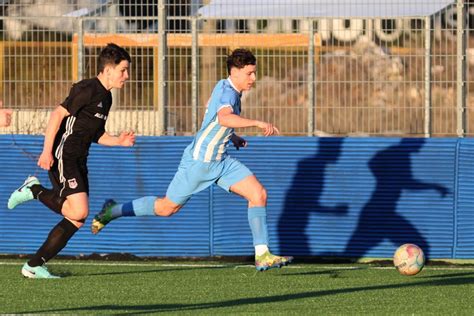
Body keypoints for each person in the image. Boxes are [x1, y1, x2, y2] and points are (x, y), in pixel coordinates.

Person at [91, 48, 293, 271]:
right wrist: (257, 123)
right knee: (167, 208)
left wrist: (232, 137)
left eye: (254, 73)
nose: (254, 78)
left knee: (258, 194)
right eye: (249, 73)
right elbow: (224, 118)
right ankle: (112, 211)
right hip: (200, 163)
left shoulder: (226, 87)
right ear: (235, 72)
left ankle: (262, 254)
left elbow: (211, 113)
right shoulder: (227, 92)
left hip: (221, 161)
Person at [7, 43, 135, 279]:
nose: (127, 76)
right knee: (80, 210)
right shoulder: (86, 89)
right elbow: (57, 115)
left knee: (77, 217)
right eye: (123, 70)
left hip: (79, 158)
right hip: (63, 155)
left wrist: (119, 141)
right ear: (108, 70)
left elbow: (95, 133)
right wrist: (46, 152)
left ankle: (34, 265)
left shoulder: (106, 98)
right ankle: (34, 189)